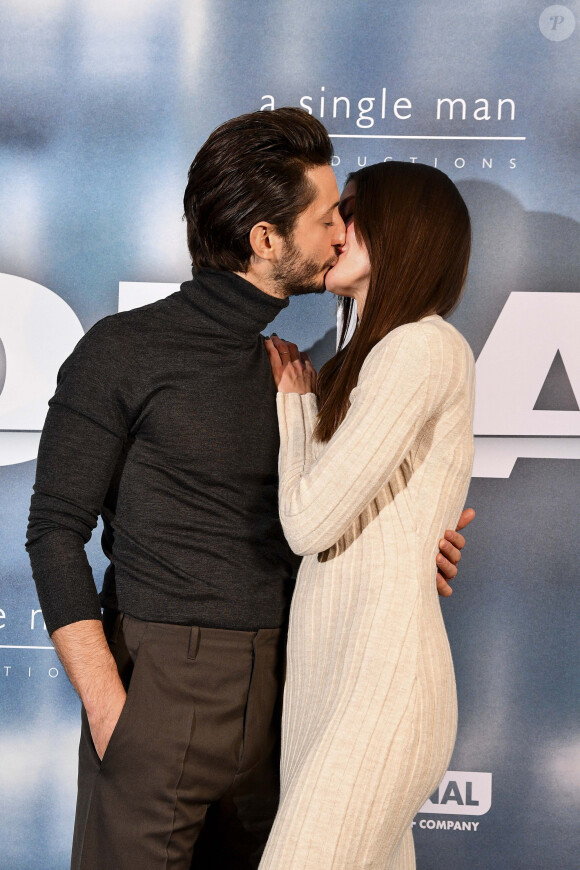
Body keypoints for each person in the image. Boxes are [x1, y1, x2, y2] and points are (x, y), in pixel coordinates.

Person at [26, 110, 472, 870]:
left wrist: (407, 548)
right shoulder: (122, 350)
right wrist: (111, 709)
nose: (341, 233)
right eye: (330, 216)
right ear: (266, 240)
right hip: (161, 689)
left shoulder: (312, 376)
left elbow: (332, 515)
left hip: (297, 696)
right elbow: (53, 531)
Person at [261, 161, 475, 869]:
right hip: (336, 681)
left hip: (378, 690)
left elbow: (308, 525)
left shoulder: (420, 347)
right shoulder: (374, 354)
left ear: (402, 231)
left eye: (350, 211)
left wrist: (294, 407)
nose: (333, 227)